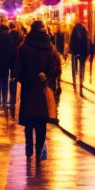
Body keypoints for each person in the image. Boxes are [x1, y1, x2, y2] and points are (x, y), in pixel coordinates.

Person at [13, 20, 61, 160]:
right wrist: (47, 78)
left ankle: (29, 148)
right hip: (43, 90)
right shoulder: (50, 48)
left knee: (29, 122)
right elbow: (56, 69)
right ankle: (39, 148)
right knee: (41, 123)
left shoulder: (24, 47)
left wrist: (26, 79)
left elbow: (17, 71)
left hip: (28, 90)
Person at [69, 20, 90, 96]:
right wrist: (87, 53)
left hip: (74, 52)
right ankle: (81, 85)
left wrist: (71, 51)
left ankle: (74, 84)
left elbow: (71, 42)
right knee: (82, 69)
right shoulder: (84, 30)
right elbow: (87, 42)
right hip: (82, 53)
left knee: (74, 69)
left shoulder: (74, 30)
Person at [8, 23, 23, 113]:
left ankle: (12, 101)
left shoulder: (8, 36)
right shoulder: (20, 36)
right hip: (17, 60)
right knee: (17, 80)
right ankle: (16, 100)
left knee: (12, 80)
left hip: (11, 60)